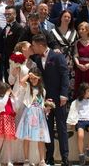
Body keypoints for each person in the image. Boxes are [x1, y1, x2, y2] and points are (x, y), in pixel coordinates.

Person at [30, 35, 69, 166]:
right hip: (44, 99)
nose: (33, 48)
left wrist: (64, 94)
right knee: (47, 129)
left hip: (59, 98)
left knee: (62, 127)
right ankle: (49, 157)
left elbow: (65, 74)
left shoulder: (57, 56)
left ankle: (65, 158)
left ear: (40, 45)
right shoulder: (36, 58)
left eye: (34, 45)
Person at [15, 67, 51, 166]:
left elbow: (42, 104)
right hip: (29, 113)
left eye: (35, 78)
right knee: (27, 137)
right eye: (31, 78)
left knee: (40, 138)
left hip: (39, 115)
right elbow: (21, 81)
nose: (33, 80)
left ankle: (42, 160)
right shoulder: (28, 87)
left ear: (39, 78)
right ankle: (26, 159)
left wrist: (46, 108)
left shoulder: (43, 90)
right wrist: (29, 74)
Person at [66, 82, 89, 166]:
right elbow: (73, 112)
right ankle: (81, 154)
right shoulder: (76, 102)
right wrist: (72, 122)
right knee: (80, 135)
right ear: (83, 92)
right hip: (80, 121)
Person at [0, 81, 17, 166]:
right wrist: (7, 95)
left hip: (9, 121)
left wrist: (14, 97)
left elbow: (15, 107)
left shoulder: (10, 99)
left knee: (8, 142)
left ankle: (9, 160)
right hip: (2, 121)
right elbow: (2, 104)